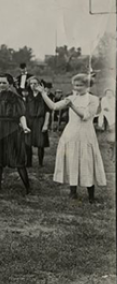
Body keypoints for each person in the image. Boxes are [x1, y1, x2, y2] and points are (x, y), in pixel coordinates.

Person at [37, 75, 107, 203]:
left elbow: (85, 116)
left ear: (87, 86)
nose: (77, 88)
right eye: (75, 85)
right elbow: (53, 106)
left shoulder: (94, 99)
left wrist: (72, 106)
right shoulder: (71, 98)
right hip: (71, 133)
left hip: (85, 133)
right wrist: (43, 94)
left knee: (87, 161)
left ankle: (91, 195)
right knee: (72, 160)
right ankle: (72, 192)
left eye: (80, 85)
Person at [23, 77, 50, 167]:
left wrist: (46, 124)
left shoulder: (44, 96)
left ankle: (40, 163)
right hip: (29, 120)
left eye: (35, 83)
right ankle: (29, 162)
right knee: (27, 142)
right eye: (31, 83)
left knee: (40, 143)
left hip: (40, 121)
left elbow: (48, 111)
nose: (33, 85)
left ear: (39, 84)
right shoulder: (27, 96)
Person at [98, 89, 115, 161]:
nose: (109, 95)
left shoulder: (114, 99)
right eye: (107, 93)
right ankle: (105, 126)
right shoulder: (104, 100)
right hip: (106, 114)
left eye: (110, 93)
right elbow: (104, 108)